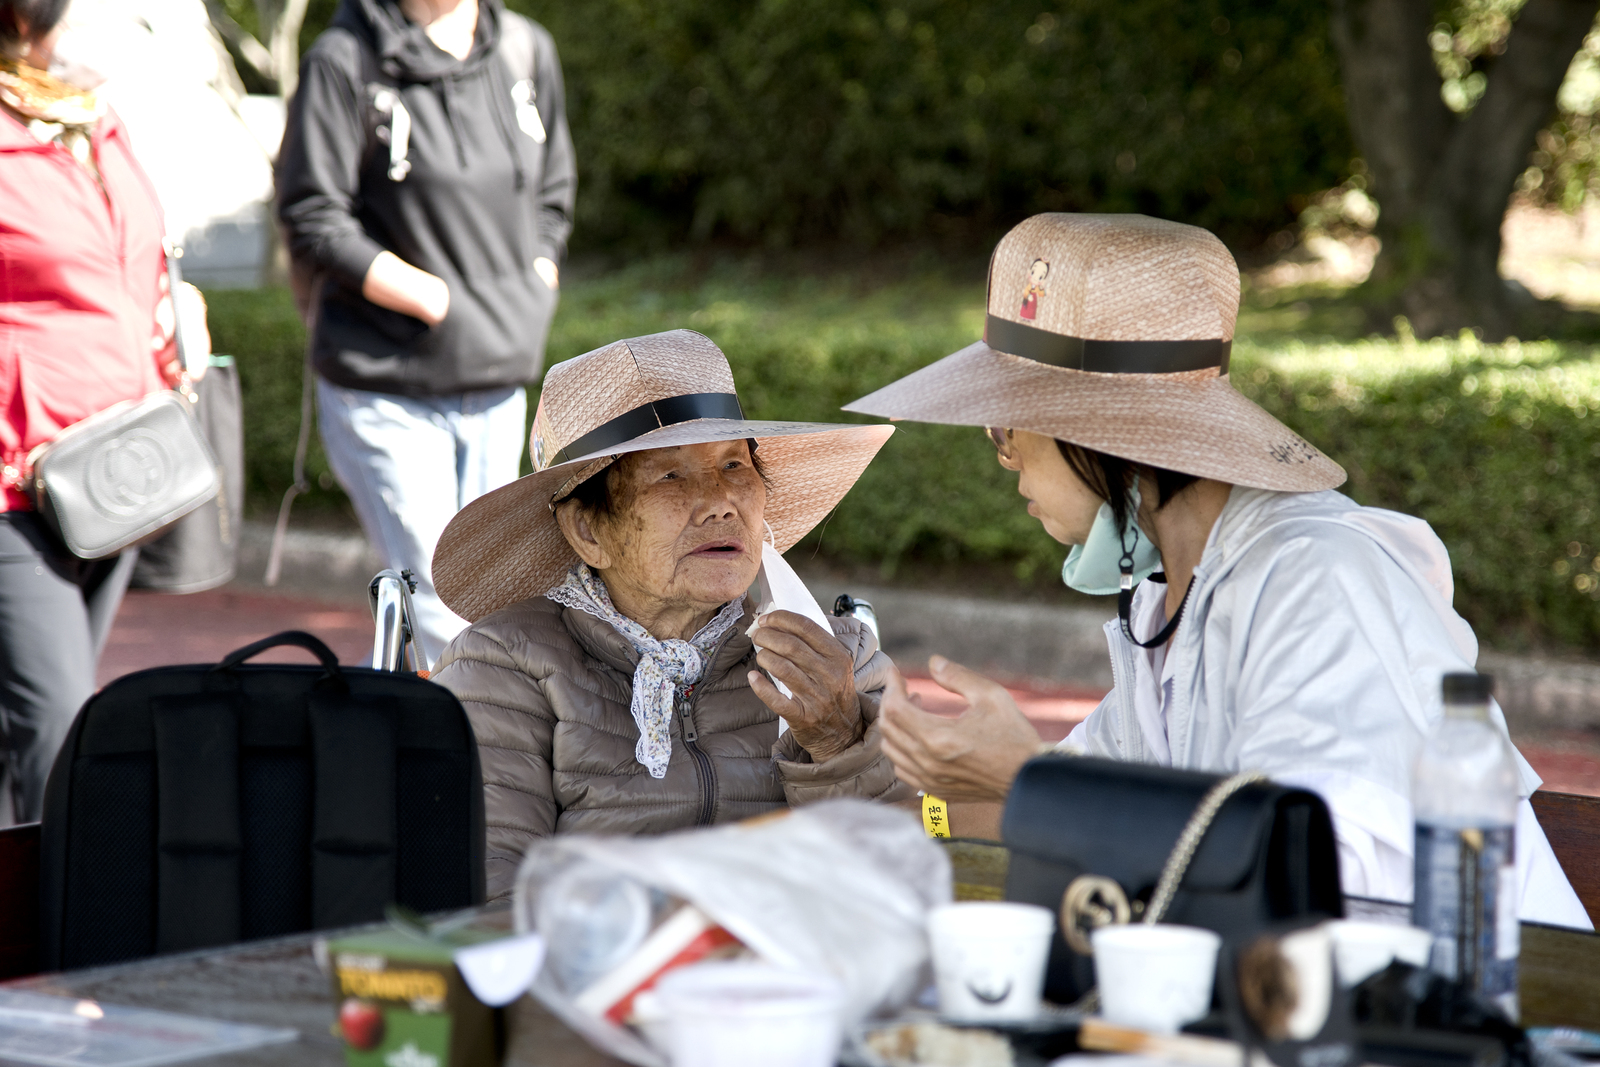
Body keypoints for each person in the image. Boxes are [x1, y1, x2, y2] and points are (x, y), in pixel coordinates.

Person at [845, 212, 1592, 930]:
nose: (1004, 458)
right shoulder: (1174, 602)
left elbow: (1307, 863)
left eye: (1006, 427)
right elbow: (1055, 801)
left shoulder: (1316, 577)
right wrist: (867, 790)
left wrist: (1026, 779)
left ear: (1101, 434)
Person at [428, 330, 908, 898]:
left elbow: (910, 865)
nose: (720, 503)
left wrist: (838, 739)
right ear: (587, 530)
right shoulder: (501, 667)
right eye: (671, 475)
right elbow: (485, 892)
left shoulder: (838, 656)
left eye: (734, 464)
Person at [276, 0, 575, 664]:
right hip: (386, 386)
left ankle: (428, 724)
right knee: (439, 600)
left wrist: (538, 275)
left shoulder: (524, 49)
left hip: (496, 381)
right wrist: (435, 300)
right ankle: (485, 733)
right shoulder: (344, 59)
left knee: (495, 593)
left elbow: (554, 189)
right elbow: (313, 214)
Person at [0, 0, 207, 822]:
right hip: (16, 488)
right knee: (56, 730)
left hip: (112, 470)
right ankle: (65, 901)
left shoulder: (95, 117)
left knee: (28, 724)